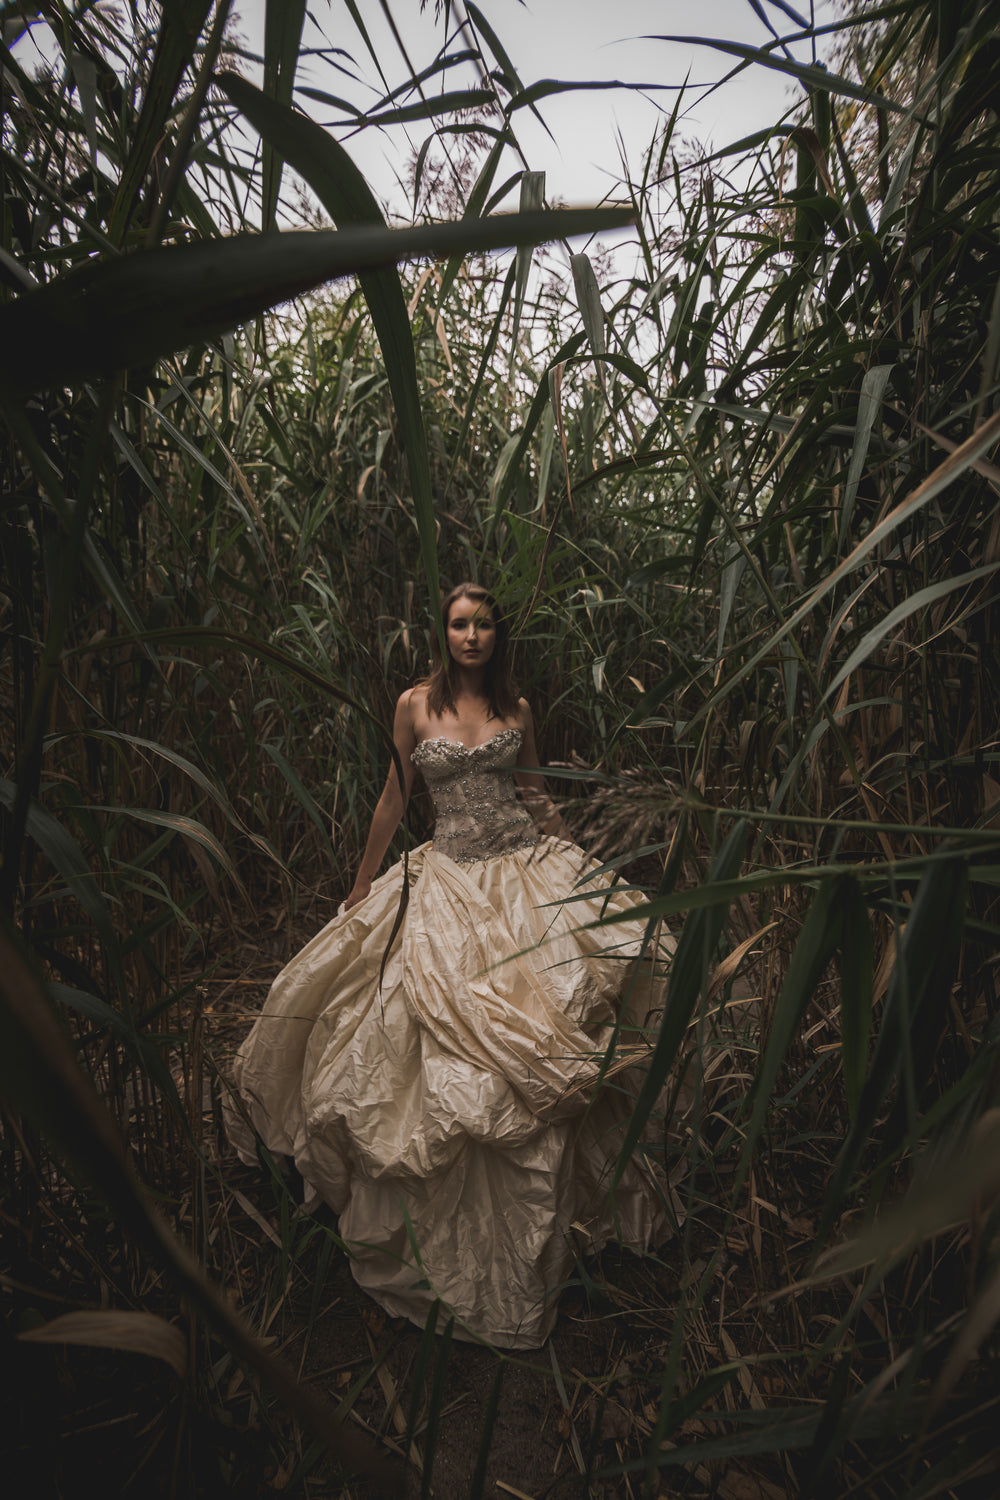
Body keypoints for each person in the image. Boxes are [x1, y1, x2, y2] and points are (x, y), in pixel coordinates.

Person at [226, 582, 672, 1348]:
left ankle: (573, 1219)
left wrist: (578, 857)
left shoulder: (517, 711)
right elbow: (396, 798)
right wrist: (365, 881)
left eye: (484, 624)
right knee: (394, 1017)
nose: (471, 636)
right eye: (459, 624)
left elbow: (533, 793)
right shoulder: (413, 705)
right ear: (444, 632)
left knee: (577, 989)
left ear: (498, 635)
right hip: (448, 877)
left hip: (520, 869)